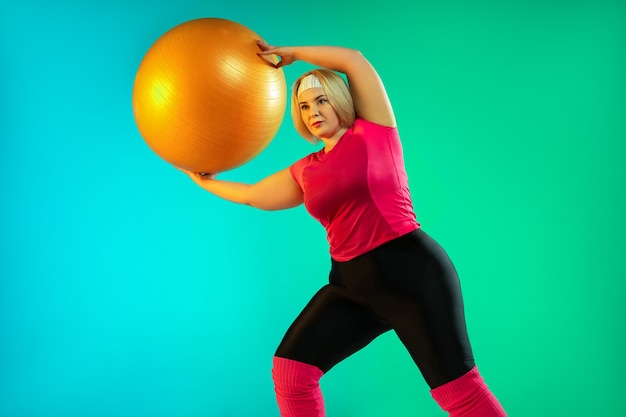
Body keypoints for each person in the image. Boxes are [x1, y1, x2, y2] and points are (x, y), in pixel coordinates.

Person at [180, 40, 507, 417]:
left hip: (412, 276)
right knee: (292, 373)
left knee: (460, 394)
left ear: (339, 99)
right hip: (351, 287)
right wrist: (202, 181)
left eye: (321, 100)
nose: (313, 111)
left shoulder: (375, 130)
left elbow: (354, 61)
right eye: (303, 106)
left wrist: (294, 55)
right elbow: (253, 195)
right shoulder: (306, 170)